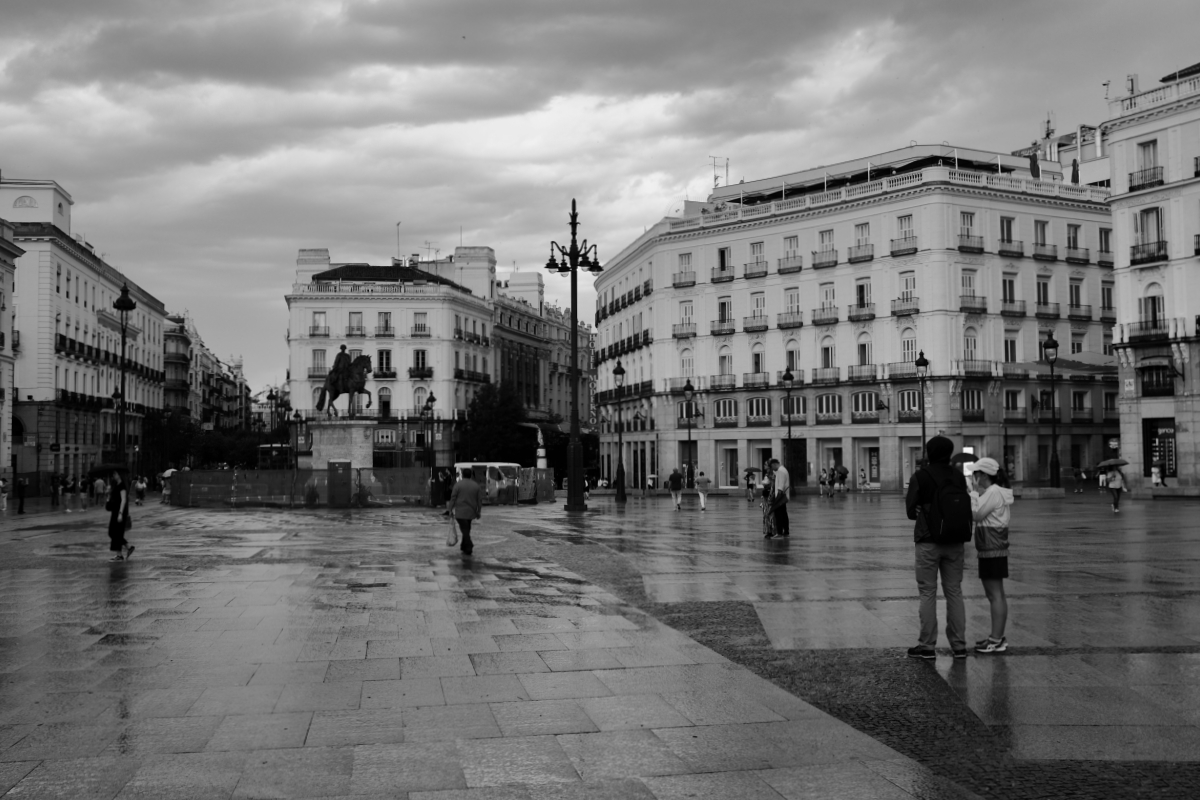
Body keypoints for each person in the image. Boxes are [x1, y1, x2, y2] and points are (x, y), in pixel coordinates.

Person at [904, 435, 968, 660]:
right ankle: (959, 646)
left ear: (928, 453)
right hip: (955, 541)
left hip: (928, 541)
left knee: (927, 592)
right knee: (954, 591)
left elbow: (911, 511)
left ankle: (927, 645)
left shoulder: (921, 476)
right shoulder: (958, 476)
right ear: (949, 452)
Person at [967, 458, 1014, 654]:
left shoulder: (993, 492)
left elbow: (976, 515)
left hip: (992, 548)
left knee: (995, 595)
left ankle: (996, 639)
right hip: (992, 548)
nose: (972, 477)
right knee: (995, 594)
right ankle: (996, 638)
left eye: (975, 473)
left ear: (983, 475)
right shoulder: (995, 492)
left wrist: (973, 493)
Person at [446, 466, 483, 557]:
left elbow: (453, 498)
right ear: (471, 475)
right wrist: (478, 511)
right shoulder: (476, 486)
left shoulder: (458, 485)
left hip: (460, 512)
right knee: (467, 529)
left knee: (465, 530)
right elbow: (479, 500)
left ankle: (469, 546)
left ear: (462, 475)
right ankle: (464, 546)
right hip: (471, 512)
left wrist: (450, 509)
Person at [106, 471, 133, 562]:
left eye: (115, 474)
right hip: (114, 512)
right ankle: (127, 548)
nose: (113, 475)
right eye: (113, 474)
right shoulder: (115, 485)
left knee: (116, 532)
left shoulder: (122, 485)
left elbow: (123, 500)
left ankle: (119, 555)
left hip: (120, 512)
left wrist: (120, 513)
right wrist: (109, 493)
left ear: (120, 474)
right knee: (112, 532)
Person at [768, 458, 790, 537]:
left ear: (774, 464)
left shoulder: (780, 472)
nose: (772, 469)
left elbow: (780, 487)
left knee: (779, 515)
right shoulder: (783, 470)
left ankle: (779, 532)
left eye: (771, 467)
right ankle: (786, 531)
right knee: (784, 514)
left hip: (781, 497)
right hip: (784, 497)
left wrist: (776, 501)